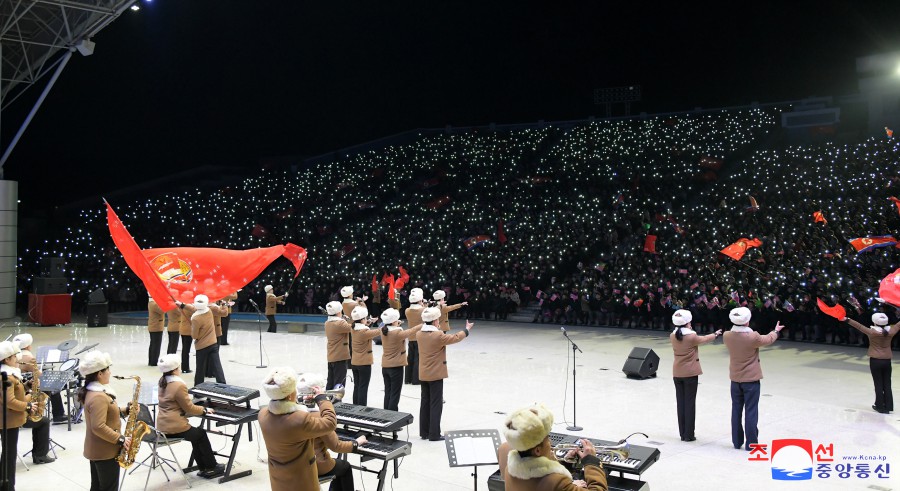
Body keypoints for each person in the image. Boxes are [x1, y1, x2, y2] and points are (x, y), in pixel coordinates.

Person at [257, 367, 338, 491]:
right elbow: (330, 423)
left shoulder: (262, 414)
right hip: (301, 480)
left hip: (278, 478)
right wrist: (322, 399)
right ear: (290, 396)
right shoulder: (299, 419)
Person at [498, 403, 608, 491]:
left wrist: (566, 464)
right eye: (547, 439)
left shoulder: (510, 470)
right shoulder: (555, 481)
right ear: (537, 450)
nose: (550, 442)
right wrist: (592, 462)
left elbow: (540, 477)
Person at [723, 307, 784, 451]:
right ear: (747, 322)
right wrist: (775, 331)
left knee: (736, 410)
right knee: (751, 410)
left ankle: (737, 442)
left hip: (735, 378)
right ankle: (751, 443)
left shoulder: (727, 335)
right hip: (751, 379)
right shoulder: (752, 337)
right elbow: (768, 339)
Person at [155, 353, 224, 478]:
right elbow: (189, 408)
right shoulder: (179, 385)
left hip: (162, 425)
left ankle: (203, 467)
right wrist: (204, 410)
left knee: (196, 435)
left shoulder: (162, 381)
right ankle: (211, 467)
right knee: (200, 434)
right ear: (175, 369)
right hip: (174, 427)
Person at [297, 373, 367, 491]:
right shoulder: (318, 417)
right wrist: (356, 443)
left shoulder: (294, 413)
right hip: (316, 464)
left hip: (297, 464)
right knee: (345, 467)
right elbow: (336, 446)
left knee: (338, 466)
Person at [1, 341, 55, 491]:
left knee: (8, 455)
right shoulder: (5, 377)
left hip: (11, 419)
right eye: (13, 357)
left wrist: (26, 386)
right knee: (9, 456)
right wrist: (29, 405)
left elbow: (13, 393)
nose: (16, 359)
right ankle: (7, 487)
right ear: (6, 359)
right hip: (8, 421)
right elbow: (10, 401)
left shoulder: (10, 375)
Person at [417, 307, 474, 441]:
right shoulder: (437, 335)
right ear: (435, 321)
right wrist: (466, 330)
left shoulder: (420, 334)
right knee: (436, 404)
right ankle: (434, 433)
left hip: (424, 372)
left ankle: (424, 432)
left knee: (425, 403)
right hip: (435, 373)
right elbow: (455, 338)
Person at [77, 351, 131, 491]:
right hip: (105, 451)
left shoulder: (94, 392)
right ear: (99, 374)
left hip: (98, 449)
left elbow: (106, 413)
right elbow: (98, 426)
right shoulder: (98, 396)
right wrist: (120, 439)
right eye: (107, 370)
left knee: (97, 487)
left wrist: (126, 409)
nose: (110, 373)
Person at [669, 309, 721, 442]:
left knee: (680, 403)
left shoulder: (672, 335)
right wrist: (715, 334)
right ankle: (689, 434)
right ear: (687, 323)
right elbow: (704, 339)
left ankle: (682, 433)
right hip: (690, 373)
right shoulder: (691, 336)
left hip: (677, 372)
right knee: (690, 404)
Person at [843, 313, 898, 413]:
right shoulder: (891, 331)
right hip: (887, 360)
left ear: (874, 322)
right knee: (887, 383)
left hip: (875, 361)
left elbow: (859, 326)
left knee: (878, 384)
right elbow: (898, 325)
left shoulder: (872, 332)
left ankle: (880, 406)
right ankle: (888, 406)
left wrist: (847, 319)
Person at [176, 295, 227, 386]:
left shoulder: (196, 318)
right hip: (213, 343)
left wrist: (192, 329)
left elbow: (195, 336)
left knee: (200, 369)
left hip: (202, 346)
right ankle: (222, 384)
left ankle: (198, 388)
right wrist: (183, 305)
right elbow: (195, 309)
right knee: (217, 365)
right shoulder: (209, 311)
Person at [14, 333, 66, 424]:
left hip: (19, 385)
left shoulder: (14, 355)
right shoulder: (29, 358)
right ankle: (58, 415)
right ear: (27, 346)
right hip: (28, 386)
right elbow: (39, 375)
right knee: (54, 389)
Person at [379, 308, 422, 411]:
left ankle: (386, 414)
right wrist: (421, 325)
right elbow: (410, 331)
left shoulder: (383, 330)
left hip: (385, 366)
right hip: (396, 366)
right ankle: (393, 417)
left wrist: (396, 323)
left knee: (388, 392)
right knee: (395, 393)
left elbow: (392, 328)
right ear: (394, 321)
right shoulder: (397, 333)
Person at [349, 306, 381, 406]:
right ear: (362, 319)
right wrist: (387, 323)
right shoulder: (364, 332)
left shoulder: (353, 328)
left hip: (355, 362)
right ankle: (361, 408)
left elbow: (364, 328)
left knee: (357, 386)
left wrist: (369, 322)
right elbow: (378, 331)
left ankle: (355, 406)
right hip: (364, 363)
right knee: (363, 387)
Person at [324, 301, 353, 390]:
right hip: (340, 356)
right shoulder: (340, 323)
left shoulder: (327, 322)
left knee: (331, 381)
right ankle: (336, 402)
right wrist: (347, 319)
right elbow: (353, 328)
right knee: (339, 383)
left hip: (332, 355)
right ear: (338, 312)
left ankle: (327, 401)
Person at [405, 288, 425, 385]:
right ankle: (416, 379)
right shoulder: (423, 310)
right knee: (418, 358)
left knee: (410, 358)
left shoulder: (407, 310)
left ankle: (408, 378)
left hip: (410, 336)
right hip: (420, 337)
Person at [148, 294, 166, 366]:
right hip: (156, 327)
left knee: (153, 344)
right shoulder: (154, 304)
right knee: (156, 345)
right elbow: (162, 310)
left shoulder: (151, 303)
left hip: (155, 326)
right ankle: (153, 361)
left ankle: (152, 360)